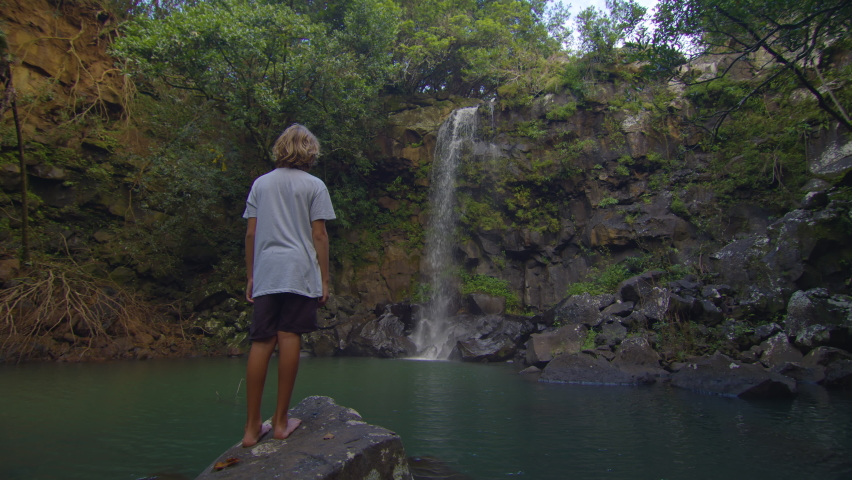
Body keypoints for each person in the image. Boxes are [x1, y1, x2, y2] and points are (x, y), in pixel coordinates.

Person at [241, 124, 335, 448]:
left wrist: (251, 275)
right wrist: (324, 278)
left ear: (280, 148)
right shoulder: (314, 185)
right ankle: (280, 422)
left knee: (261, 341)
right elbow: (319, 235)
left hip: (267, 269)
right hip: (298, 271)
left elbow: (251, 234)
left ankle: (252, 428)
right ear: (310, 151)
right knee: (289, 335)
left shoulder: (261, 184)